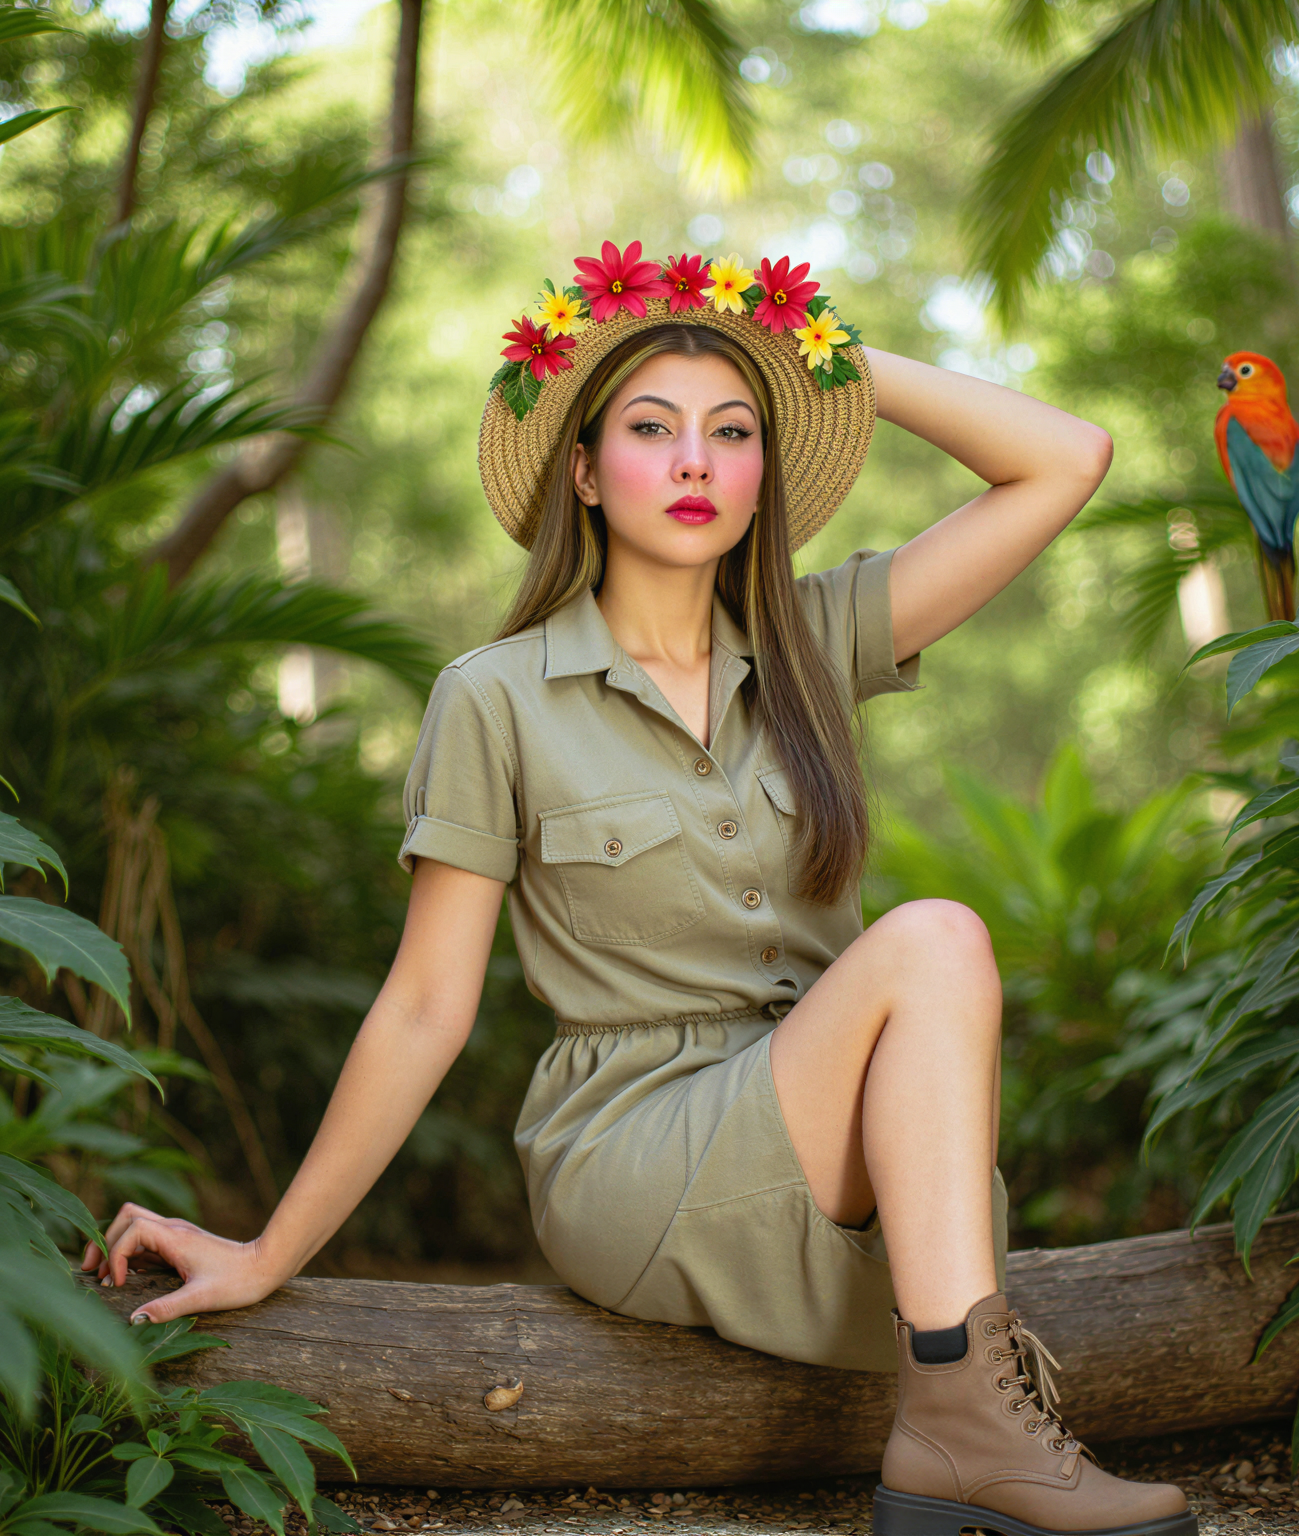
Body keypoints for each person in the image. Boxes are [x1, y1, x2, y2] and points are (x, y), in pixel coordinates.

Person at [84, 243, 1193, 1536]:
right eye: (652, 429)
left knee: (931, 954)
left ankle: (957, 1408)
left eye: (734, 433)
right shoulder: (495, 698)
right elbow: (427, 1005)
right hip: (636, 1153)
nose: (694, 463)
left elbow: (1068, 459)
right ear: (584, 472)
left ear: (764, 475)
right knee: (936, 936)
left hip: (864, 1169)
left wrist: (821, 360)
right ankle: (967, 1435)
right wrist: (269, 1251)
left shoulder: (813, 642)